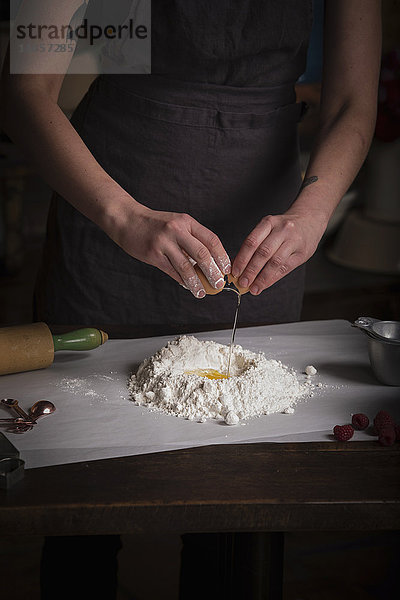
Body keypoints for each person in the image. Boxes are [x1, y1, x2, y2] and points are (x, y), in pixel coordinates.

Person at [1, 1, 382, 598]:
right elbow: (23, 90)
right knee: (83, 499)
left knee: (240, 500)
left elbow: (353, 101)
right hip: (110, 199)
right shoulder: (115, 211)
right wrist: (124, 217)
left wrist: (314, 212)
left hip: (270, 216)